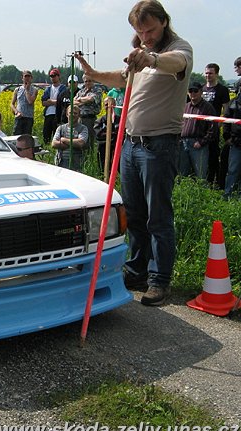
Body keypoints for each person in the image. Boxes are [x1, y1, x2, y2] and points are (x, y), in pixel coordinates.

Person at [75, 0, 193, 306]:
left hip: (159, 146)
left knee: (158, 217)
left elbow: (176, 63)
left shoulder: (178, 49)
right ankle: (137, 270)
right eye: (140, 32)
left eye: (150, 30)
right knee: (135, 214)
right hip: (131, 145)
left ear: (164, 21)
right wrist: (93, 73)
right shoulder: (140, 54)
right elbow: (122, 78)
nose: (145, 36)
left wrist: (150, 58)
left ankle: (159, 280)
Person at [202, 63, 231, 188]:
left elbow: (226, 109)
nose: (208, 75)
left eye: (210, 73)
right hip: (200, 129)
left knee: (213, 156)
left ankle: (215, 183)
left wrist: (220, 123)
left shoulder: (222, 90)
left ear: (217, 74)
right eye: (206, 73)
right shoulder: (201, 88)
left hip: (214, 129)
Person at [180, 82, 216, 179]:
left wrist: (202, 142)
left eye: (195, 91)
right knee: (182, 174)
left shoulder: (208, 107)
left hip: (198, 144)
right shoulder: (185, 106)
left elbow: (213, 128)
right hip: (183, 143)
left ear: (201, 92)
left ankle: (201, 189)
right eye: (190, 91)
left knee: (201, 175)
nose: (193, 93)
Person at [222, 77, 241, 198]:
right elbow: (226, 120)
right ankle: (228, 195)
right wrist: (227, 137)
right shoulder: (234, 102)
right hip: (236, 142)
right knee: (232, 170)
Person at [52, 105, 88, 171]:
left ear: (79, 115)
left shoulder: (83, 128)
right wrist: (72, 143)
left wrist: (63, 140)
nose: (73, 115)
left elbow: (80, 143)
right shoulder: (61, 128)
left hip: (76, 163)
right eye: (71, 113)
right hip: (61, 162)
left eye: (75, 113)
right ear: (67, 114)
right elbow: (54, 144)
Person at [74, 75, 102, 149]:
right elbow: (73, 101)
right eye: (86, 81)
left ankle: (89, 155)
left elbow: (91, 99)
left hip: (90, 119)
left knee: (88, 140)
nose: (88, 83)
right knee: (78, 138)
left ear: (93, 81)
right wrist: (84, 101)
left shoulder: (97, 90)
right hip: (79, 118)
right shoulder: (82, 91)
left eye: (90, 81)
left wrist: (80, 99)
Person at [41, 68, 66, 145]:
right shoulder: (48, 89)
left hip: (58, 114)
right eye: (51, 76)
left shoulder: (63, 88)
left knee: (57, 134)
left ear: (58, 76)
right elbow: (43, 102)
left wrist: (50, 101)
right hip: (48, 114)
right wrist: (55, 102)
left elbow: (62, 102)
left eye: (54, 76)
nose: (53, 77)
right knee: (46, 134)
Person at [10, 70, 38, 135]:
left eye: (29, 76)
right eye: (25, 76)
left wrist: (27, 90)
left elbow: (30, 101)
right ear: (22, 78)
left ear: (31, 78)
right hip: (19, 117)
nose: (27, 78)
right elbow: (12, 104)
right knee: (16, 136)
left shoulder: (34, 90)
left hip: (29, 118)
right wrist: (16, 112)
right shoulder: (17, 89)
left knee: (26, 137)